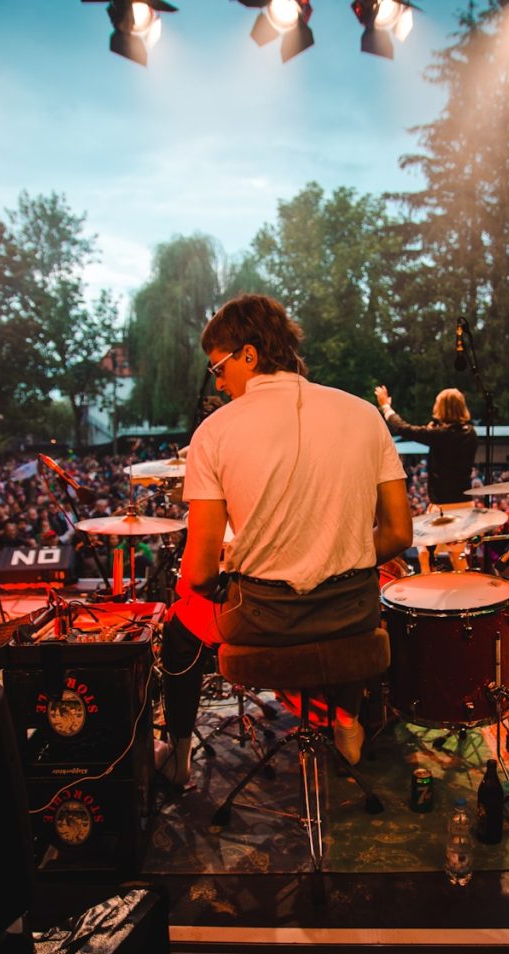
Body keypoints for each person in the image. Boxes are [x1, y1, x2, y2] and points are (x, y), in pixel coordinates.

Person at [158, 294, 412, 785]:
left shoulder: (214, 432)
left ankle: (181, 756)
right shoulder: (363, 415)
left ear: (248, 356)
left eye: (219, 369)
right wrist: (344, 552)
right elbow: (400, 533)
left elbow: (199, 572)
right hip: (352, 615)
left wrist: (232, 573)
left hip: (263, 623)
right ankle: (346, 716)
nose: (219, 383)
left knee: (177, 628)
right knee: (347, 601)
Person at [374, 385, 478, 572]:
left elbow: (403, 428)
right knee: (458, 554)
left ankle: (429, 595)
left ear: (442, 409)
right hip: (464, 503)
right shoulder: (469, 433)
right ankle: (465, 595)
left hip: (444, 505)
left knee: (426, 553)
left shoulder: (443, 435)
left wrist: (385, 406)